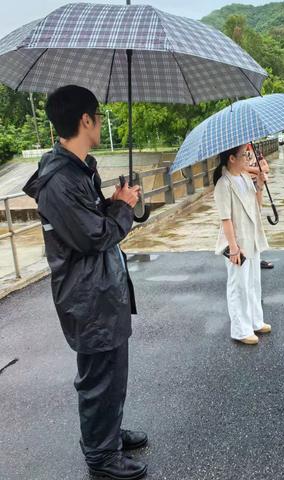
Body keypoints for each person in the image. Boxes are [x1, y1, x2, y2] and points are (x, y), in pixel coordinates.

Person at [23, 85, 148, 480]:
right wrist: (124, 208)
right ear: (85, 121)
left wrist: (113, 202)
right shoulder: (61, 179)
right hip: (88, 297)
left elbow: (92, 225)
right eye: (98, 115)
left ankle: (106, 435)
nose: (101, 121)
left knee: (112, 373)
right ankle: (101, 457)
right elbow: (94, 237)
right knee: (99, 378)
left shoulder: (77, 170)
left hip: (99, 291)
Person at [213, 144, 271, 345]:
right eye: (244, 155)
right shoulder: (224, 184)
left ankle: (256, 321)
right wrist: (234, 247)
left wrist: (260, 186)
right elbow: (225, 219)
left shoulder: (246, 178)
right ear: (231, 159)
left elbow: (257, 206)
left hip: (252, 237)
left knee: (254, 282)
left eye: (248, 155)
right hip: (237, 242)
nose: (248, 158)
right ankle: (240, 329)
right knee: (239, 286)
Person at [245, 143, 274, 270]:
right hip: (244, 187)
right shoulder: (236, 151)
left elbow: (266, 167)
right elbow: (239, 168)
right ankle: (246, 255)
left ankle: (256, 256)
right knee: (247, 221)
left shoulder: (254, 149)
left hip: (257, 186)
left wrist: (257, 171)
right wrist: (257, 170)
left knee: (257, 219)